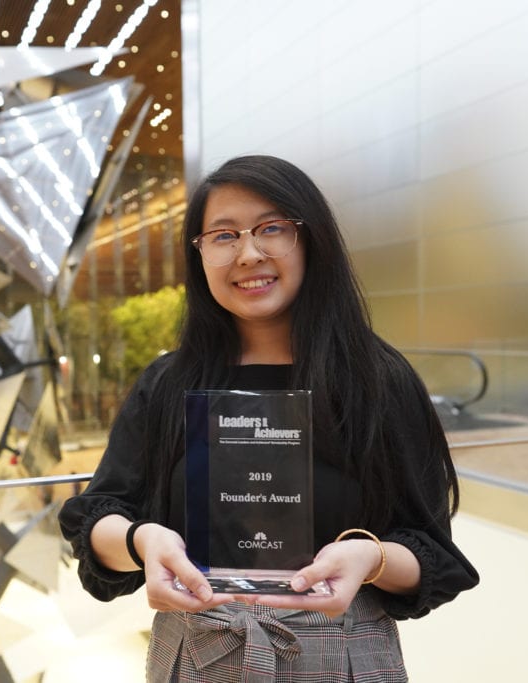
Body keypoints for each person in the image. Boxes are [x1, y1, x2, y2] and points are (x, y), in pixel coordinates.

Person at [58, 154, 479, 681]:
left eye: (272, 229)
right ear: (200, 254)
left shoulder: (377, 380)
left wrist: (368, 560)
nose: (248, 253)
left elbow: (432, 553)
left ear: (311, 240)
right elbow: (98, 515)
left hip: (342, 660)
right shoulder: (168, 383)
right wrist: (142, 543)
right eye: (223, 235)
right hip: (196, 656)